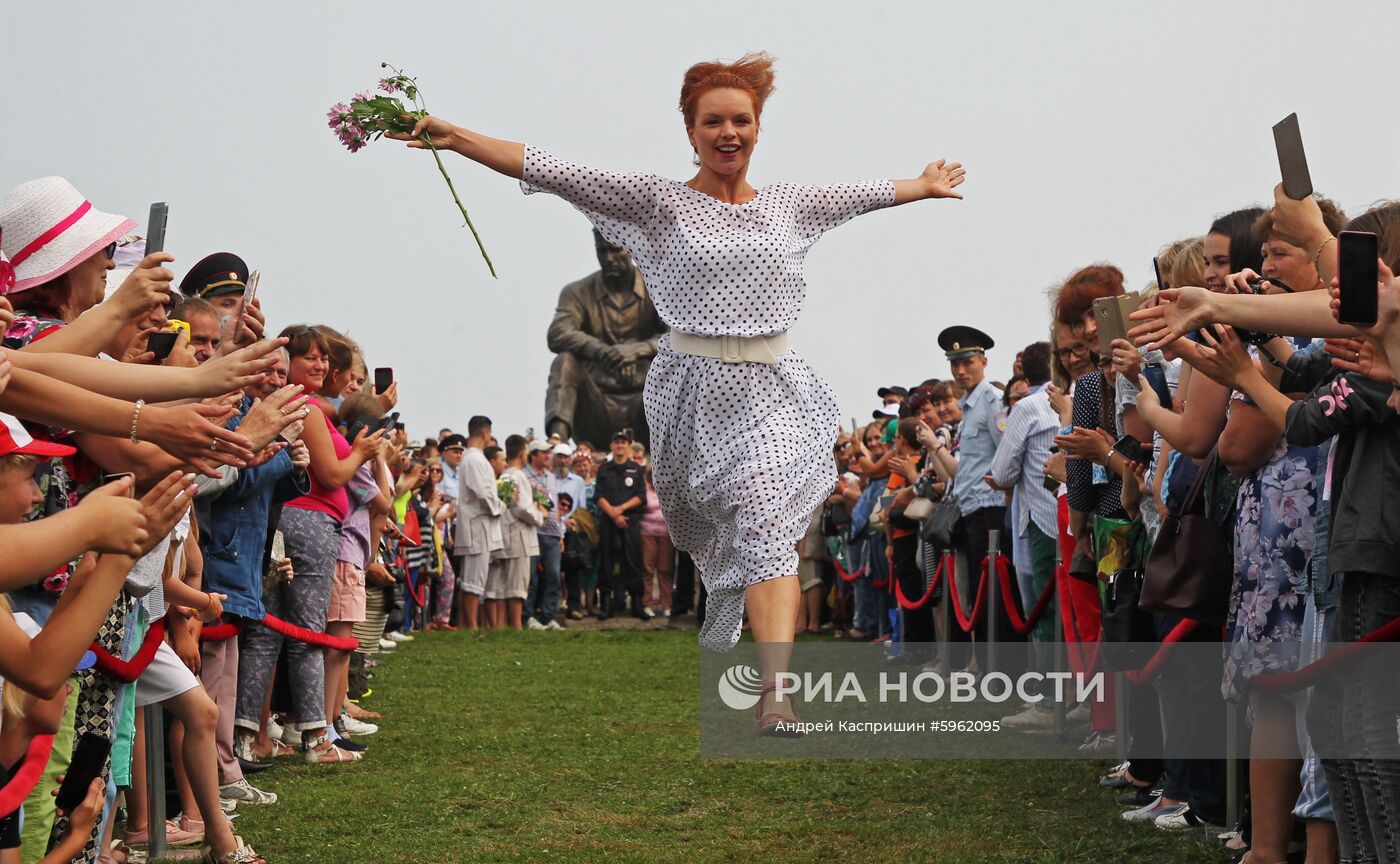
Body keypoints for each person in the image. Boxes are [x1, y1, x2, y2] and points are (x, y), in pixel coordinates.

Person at [391, 52, 966, 732]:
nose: (730, 133)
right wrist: (457, 139)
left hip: (775, 386)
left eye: (742, 121)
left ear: (759, 127)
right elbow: (548, 166)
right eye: (713, 122)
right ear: (690, 131)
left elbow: (863, 193)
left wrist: (921, 184)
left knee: (765, 518)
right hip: (694, 391)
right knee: (727, 524)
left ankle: (775, 694)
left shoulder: (789, 204)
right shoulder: (658, 201)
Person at [937, 325, 1024, 678]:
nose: (961, 370)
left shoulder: (990, 402)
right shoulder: (970, 405)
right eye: (955, 363)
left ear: (984, 362)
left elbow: (1006, 452)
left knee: (992, 593)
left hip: (990, 508)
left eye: (967, 361)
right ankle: (987, 667)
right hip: (972, 509)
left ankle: (999, 669)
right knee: (978, 590)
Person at [988, 342, 1059, 728]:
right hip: (1072, 516)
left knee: (1045, 613)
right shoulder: (1068, 396)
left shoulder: (1027, 407)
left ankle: (1049, 703)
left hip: (1043, 522)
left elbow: (1001, 472)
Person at [545, 229, 667, 447]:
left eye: (615, 250)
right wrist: (602, 351)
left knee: (676, 365)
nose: (609, 259)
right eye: (602, 251)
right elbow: (557, 333)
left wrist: (636, 351)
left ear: (629, 249)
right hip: (596, 406)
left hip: (646, 403)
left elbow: (677, 335)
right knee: (564, 362)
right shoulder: (577, 292)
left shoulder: (658, 287)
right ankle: (557, 442)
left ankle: (678, 446)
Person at [485, 436, 543, 629]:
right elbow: (522, 507)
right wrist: (540, 514)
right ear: (522, 454)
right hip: (518, 536)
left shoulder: (505, 476)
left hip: (506, 535)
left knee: (502, 587)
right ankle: (517, 626)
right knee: (517, 586)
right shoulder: (516, 476)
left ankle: (501, 627)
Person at [593, 430, 648, 620]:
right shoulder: (603, 469)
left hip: (630, 522)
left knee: (633, 562)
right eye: (616, 442)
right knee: (607, 562)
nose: (620, 445)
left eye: (623, 442)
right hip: (608, 522)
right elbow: (598, 496)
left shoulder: (636, 469)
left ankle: (636, 604)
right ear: (611, 446)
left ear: (628, 446)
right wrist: (613, 513)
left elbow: (641, 497)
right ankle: (606, 605)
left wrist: (621, 510)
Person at [453, 417, 502, 630]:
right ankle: (470, 626)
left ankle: (466, 625)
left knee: (472, 579)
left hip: (479, 524)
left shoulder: (475, 458)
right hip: (476, 524)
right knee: (473, 580)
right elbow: (483, 492)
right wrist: (500, 507)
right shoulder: (473, 459)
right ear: (485, 433)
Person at [521, 439, 562, 629]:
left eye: (548, 452)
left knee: (553, 576)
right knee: (531, 577)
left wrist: (561, 534)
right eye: (544, 452)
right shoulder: (523, 476)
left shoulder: (551, 477)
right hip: (533, 531)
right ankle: (527, 616)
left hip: (553, 533)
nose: (548, 456)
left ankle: (548, 616)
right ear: (533, 454)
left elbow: (557, 506)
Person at [638, 466, 675, 618]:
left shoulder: (669, 490)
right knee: (647, 568)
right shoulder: (644, 490)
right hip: (647, 533)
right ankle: (646, 603)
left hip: (667, 535)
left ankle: (666, 604)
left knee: (665, 569)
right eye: (652, 476)